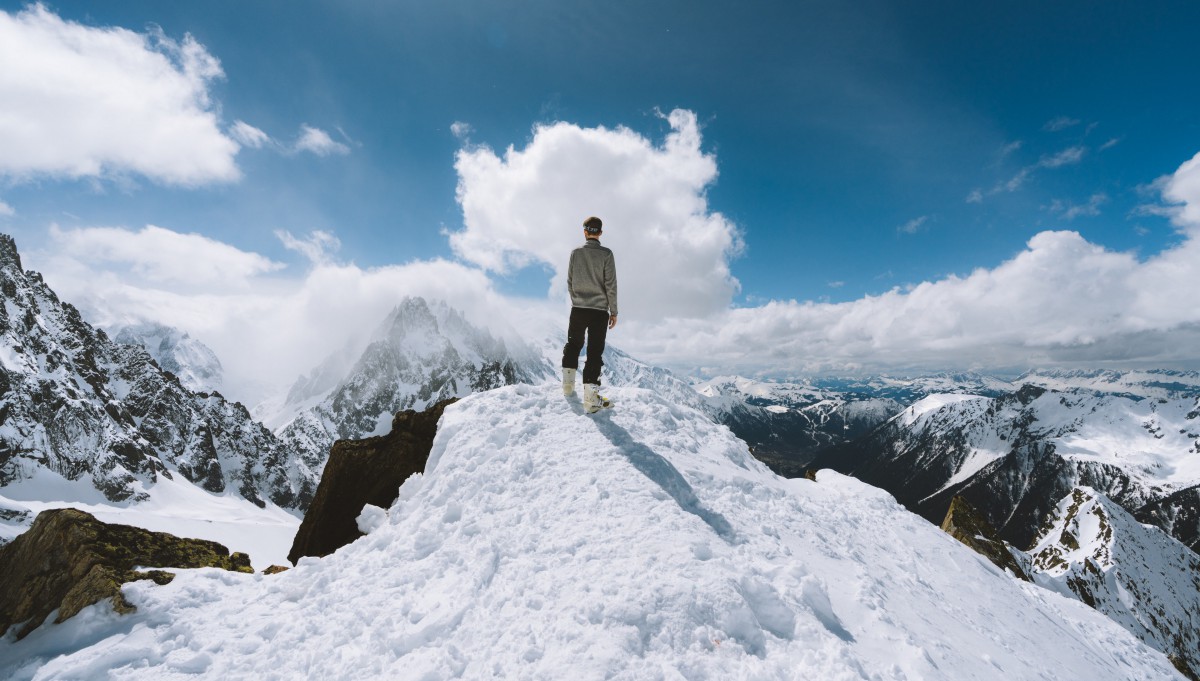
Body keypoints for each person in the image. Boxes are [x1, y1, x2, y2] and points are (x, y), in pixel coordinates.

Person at [562, 216, 618, 412]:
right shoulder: (606, 254)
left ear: (584, 231)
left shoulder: (575, 253)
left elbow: (570, 281)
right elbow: (611, 286)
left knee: (573, 344)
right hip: (599, 312)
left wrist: (577, 299)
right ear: (600, 233)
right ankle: (591, 400)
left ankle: (567, 387)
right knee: (594, 352)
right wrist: (614, 311)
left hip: (578, 309)